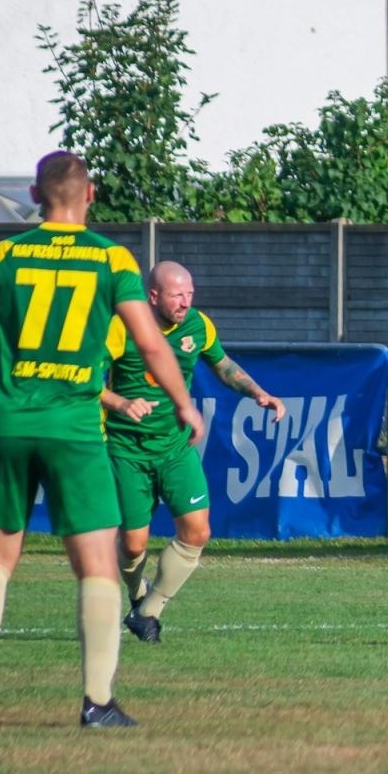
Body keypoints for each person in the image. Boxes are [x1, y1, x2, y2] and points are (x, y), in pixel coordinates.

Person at [0, 152, 203, 729]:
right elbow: (150, 343)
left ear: (35, 195)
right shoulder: (111, 258)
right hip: (75, 429)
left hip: (8, 423)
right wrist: (184, 403)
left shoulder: (2, 255)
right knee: (96, 567)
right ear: (90, 195)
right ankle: (96, 701)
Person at [101, 261, 287, 643]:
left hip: (176, 446)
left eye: (190, 294)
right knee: (133, 544)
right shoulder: (120, 326)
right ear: (153, 296)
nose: (186, 302)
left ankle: (148, 612)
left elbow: (223, 364)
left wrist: (258, 393)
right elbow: (84, 379)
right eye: (177, 295)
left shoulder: (198, 325)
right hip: (126, 448)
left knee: (198, 531)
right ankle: (137, 593)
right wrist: (120, 403)